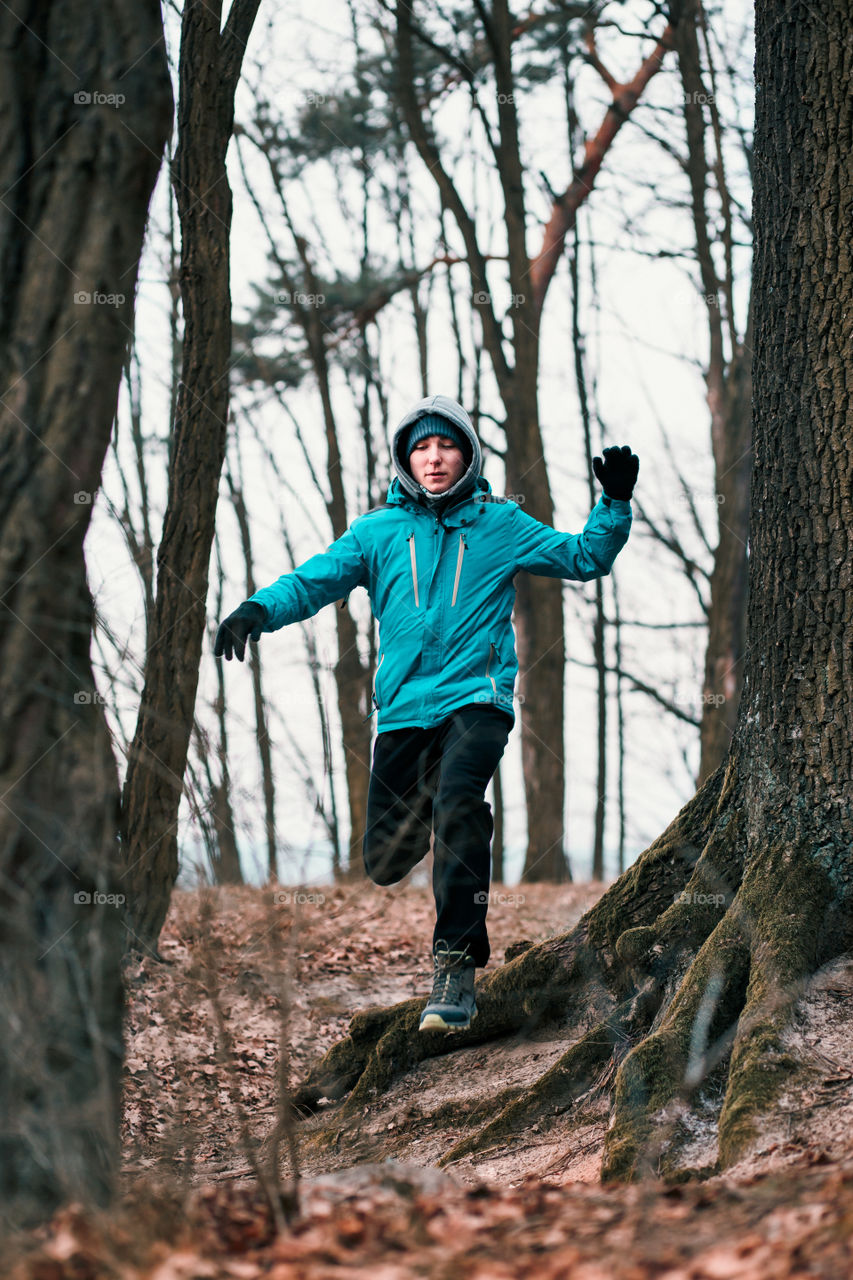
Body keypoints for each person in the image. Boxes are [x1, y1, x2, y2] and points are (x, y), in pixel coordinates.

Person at [214, 394, 637, 1031]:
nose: (434, 458)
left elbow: (584, 558)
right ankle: (430, 822)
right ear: (405, 458)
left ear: (467, 454)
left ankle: (456, 967)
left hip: (476, 700)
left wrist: (614, 504)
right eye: (422, 447)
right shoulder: (377, 532)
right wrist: (256, 611)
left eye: (447, 446)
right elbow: (312, 581)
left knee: (459, 802)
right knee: (384, 862)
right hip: (405, 710)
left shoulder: (501, 523)